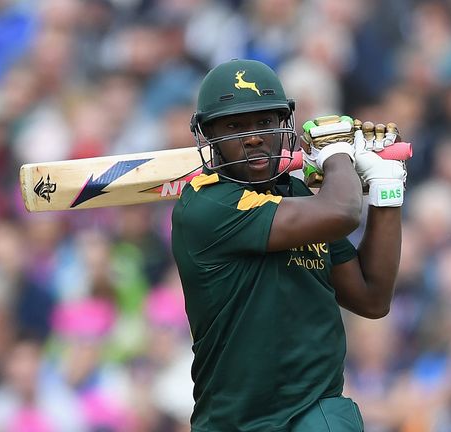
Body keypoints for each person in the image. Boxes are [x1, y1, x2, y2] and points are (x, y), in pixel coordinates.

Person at [171, 58, 407, 431]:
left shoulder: (296, 194)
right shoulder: (206, 206)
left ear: (284, 126)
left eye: (264, 122)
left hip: (315, 410)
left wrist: (386, 192)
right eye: (234, 126)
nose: (253, 137)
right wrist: (337, 155)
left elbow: (371, 298)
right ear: (208, 135)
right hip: (236, 420)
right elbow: (343, 212)